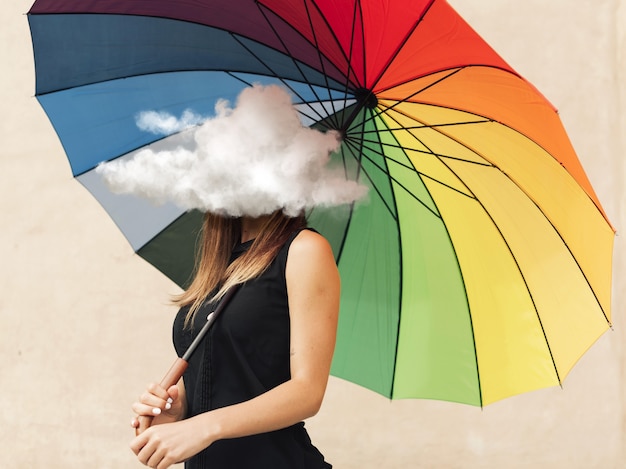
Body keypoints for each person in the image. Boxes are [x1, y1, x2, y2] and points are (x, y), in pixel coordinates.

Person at [129, 209, 340, 468]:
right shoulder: (218, 261)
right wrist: (177, 411)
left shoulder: (305, 250)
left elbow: (307, 391)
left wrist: (203, 427)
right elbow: (215, 370)